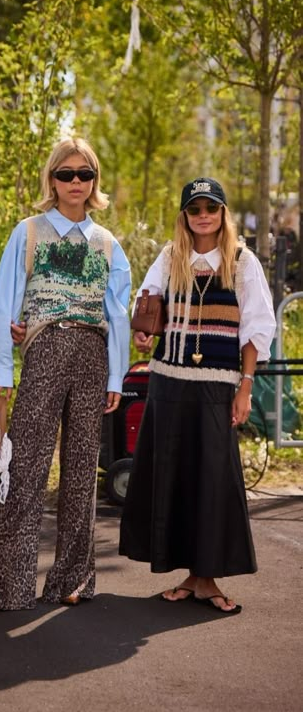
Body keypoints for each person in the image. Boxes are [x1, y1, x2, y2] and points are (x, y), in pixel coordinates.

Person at [0, 137, 131, 614]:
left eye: (85, 174)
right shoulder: (29, 231)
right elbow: (3, 306)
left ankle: (73, 577)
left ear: (94, 181)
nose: (75, 183)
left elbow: (117, 314)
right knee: (23, 469)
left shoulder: (108, 243)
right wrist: (2, 372)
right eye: (66, 174)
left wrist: (116, 379)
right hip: (44, 349)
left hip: (93, 355)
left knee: (82, 472)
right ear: (52, 180)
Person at [119, 177, 276, 614]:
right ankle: (191, 577)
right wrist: (144, 331)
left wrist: (245, 387)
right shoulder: (171, 258)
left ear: (223, 213)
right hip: (168, 382)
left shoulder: (242, 262)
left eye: (211, 207)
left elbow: (257, 328)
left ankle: (208, 579)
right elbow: (146, 303)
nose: (203, 215)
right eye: (195, 208)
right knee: (174, 478)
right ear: (184, 216)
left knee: (212, 480)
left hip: (216, 385)